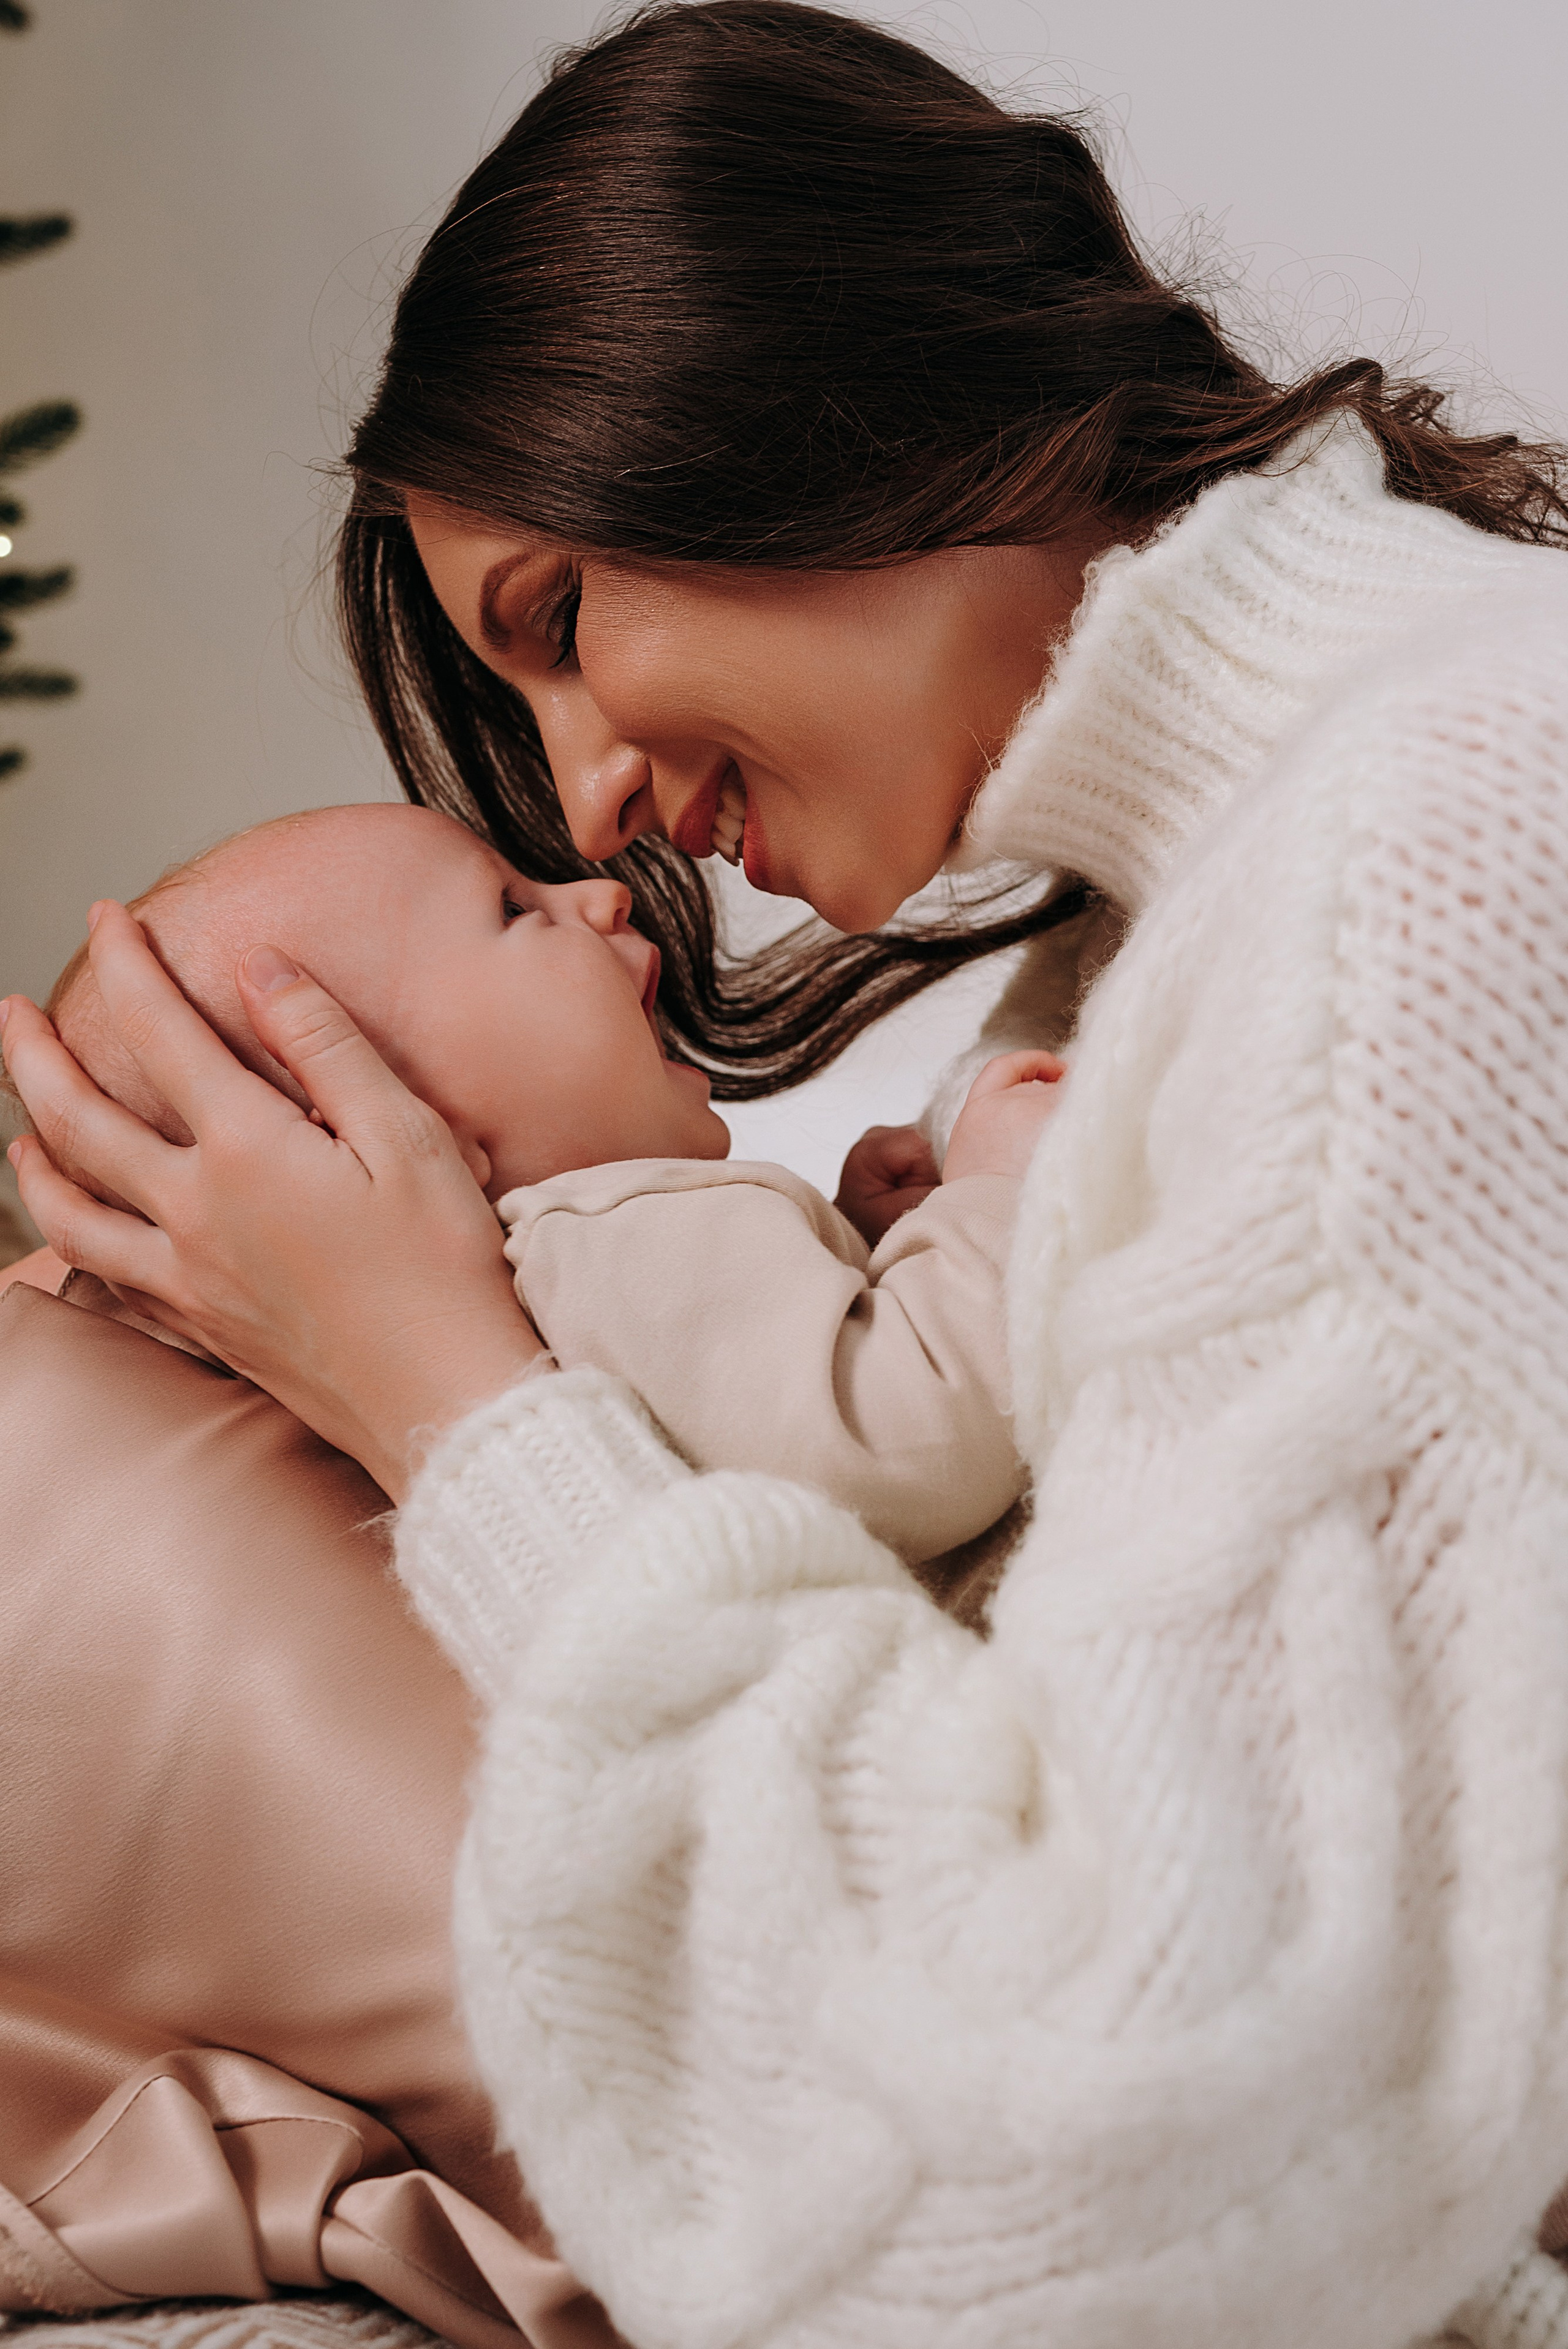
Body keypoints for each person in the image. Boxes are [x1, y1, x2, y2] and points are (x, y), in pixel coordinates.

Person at [7, 4, 1568, 2344]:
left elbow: (1109, 2199)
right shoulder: (1204, 910)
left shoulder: (1431, 840)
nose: (588, 801)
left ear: (804, 385)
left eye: (557, 625)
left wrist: (458, 1400)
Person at [29, 798, 1060, 1564]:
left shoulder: (564, 1286)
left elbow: (745, 1440)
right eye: (516, 910)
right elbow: (897, 1447)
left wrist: (858, 1242)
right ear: (382, 1126)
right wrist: (994, 1198)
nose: (599, 892)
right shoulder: (613, 1240)